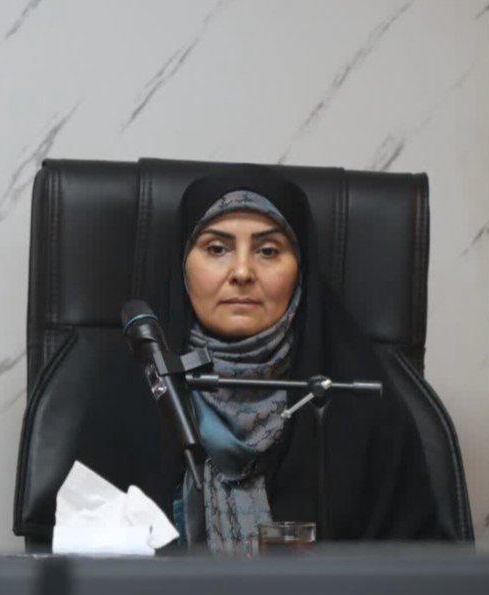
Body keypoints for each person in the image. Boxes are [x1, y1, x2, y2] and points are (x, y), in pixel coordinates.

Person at [164, 166, 442, 554]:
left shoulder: (359, 405)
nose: (242, 272)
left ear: (300, 269)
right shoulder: (131, 400)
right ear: (183, 265)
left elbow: (418, 569)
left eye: (267, 251)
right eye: (216, 249)